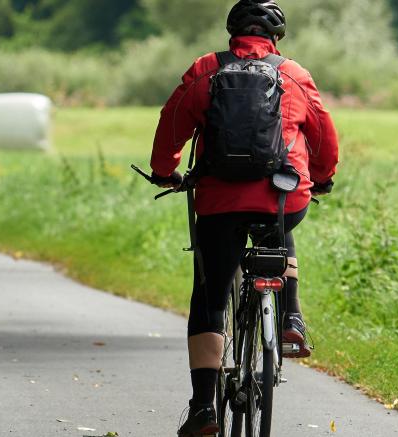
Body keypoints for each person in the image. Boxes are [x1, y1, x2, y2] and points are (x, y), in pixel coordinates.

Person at [148, 1, 339, 435]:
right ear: (276, 37)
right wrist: (323, 178)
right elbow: (325, 134)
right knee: (280, 226)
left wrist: (165, 171)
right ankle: (290, 316)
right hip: (282, 197)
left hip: (218, 201)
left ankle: (203, 408)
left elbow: (171, 122)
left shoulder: (206, 69)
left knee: (211, 296)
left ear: (232, 31)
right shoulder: (293, 73)